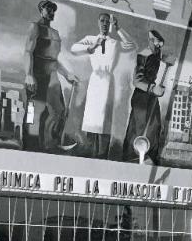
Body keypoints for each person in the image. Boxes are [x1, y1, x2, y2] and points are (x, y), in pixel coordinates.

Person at [71, 13, 134, 158]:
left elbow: (131, 45)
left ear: (110, 24)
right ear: (98, 22)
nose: (105, 24)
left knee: (104, 120)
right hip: (95, 82)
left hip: (107, 82)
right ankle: (91, 152)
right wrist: (90, 48)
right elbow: (74, 48)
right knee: (92, 118)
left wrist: (118, 28)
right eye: (102, 21)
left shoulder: (115, 43)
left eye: (107, 21)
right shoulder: (91, 39)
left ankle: (102, 154)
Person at [24, 0, 78, 151]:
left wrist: (67, 75)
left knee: (58, 110)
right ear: (41, 10)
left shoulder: (55, 33)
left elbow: (55, 60)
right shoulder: (35, 27)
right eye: (48, 9)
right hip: (37, 74)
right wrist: (28, 74)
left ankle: (50, 144)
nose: (51, 12)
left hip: (52, 76)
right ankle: (30, 146)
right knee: (34, 112)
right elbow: (28, 52)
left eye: (53, 10)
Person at [122, 30, 175, 164]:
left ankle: (151, 157)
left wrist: (167, 58)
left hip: (151, 96)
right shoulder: (143, 55)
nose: (158, 47)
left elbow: (161, 57)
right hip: (141, 96)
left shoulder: (157, 52)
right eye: (156, 43)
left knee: (155, 124)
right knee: (138, 127)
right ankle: (131, 158)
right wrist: (152, 88)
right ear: (151, 41)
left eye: (160, 44)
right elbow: (137, 81)